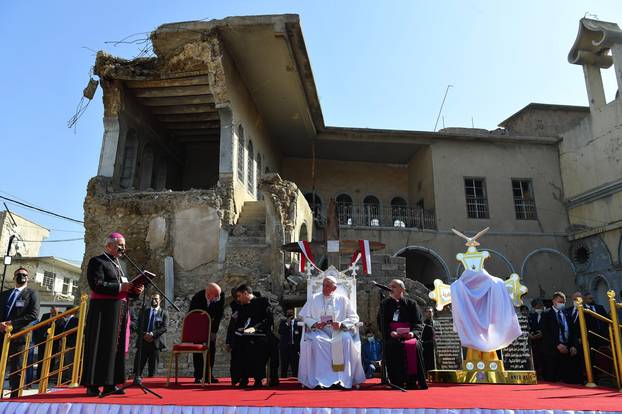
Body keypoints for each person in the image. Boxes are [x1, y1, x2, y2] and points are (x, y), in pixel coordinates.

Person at [81, 233, 143, 397]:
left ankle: (110, 384)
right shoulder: (98, 261)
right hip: (103, 311)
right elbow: (96, 284)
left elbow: (124, 290)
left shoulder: (119, 264)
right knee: (100, 346)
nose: (123, 248)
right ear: (109, 246)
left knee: (115, 348)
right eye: (120, 245)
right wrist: (120, 287)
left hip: (119, 311)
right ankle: (93, 385)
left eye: (124, 245)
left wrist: (135, 291)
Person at [298, 275, 365, 389]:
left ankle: (342, 380)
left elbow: (354, 317)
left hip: (338, 331)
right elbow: (304, 317)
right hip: (320, 331)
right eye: (323, 285)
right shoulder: (314, 298)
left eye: (327, 286)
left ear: (334, 288)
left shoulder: (343, 299)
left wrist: (341, 324)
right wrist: (315, 323)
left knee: (345, 340)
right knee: (318, 341)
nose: (324, 288)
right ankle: (320, 380)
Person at [378, 279, 427, 390]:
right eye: (389, 286)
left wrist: (412, 333)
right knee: (391, 346)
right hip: (393, 336)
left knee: (415, 346)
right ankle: (396, 381)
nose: (390, 288)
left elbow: (419, 323)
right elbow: (381, 323)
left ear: (402, 289)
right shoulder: (384, 304)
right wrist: (390, 333)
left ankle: (412, 381)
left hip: (409, 335)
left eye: (393, 286)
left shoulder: (411, 304)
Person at [0, 267, 40, 398]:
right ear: (14, 277)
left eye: (24, 275)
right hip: (1, 334)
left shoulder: (32, 293)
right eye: (18, 274)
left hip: (19, 336)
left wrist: (11, 324)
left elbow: (33, 314)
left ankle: (14, 397)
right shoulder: (5, 294)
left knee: (16, 368)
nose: (21, 276)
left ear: (28, 278)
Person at [230, 284, 272, 388]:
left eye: (239, 296)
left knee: (255, 346)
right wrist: (242, 329)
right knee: (237, 346)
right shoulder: (242, 306)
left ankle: (259, 378)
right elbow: (240, 322)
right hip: (246, 336)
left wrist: (253, 329)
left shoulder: (263, 302)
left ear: (246, 293)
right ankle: (242, 378)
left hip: (261, 334)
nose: (238, 299)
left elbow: (267, 320)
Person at [540, 291, 580, 383]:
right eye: (560, 302)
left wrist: (574, 345)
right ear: (554, 301)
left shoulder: (567, 314)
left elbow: (573, 331)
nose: (562, 304)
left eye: (564, 302)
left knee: (567, 378)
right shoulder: (546, 314)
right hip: (552, 351)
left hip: (566, 350)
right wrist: (557, 345)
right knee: (552, 378)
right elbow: (546, 333)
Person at [188, 282, 224, 383]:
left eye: (219, 295)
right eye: (216, 296)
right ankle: (198, 375)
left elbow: (219, 314)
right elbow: (192, 315)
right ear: (208, 294)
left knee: (211, 350)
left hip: (212, 326)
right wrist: (199, 331)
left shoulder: (220, 296)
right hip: (198, 327)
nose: (218, 297)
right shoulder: (198, 297)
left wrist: (213, 331)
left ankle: (209, 374)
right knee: (198, 351)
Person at [133, 293, 168, 379]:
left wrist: (153, 335)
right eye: (152, 298)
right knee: (137, 368)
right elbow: (137, 325)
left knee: (152, 371)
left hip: (155, 343)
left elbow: (164, 327)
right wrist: (144, 335)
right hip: (143, 342)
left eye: (156, 298)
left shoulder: (164, 313)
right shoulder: (144, 311)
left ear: (160, 300)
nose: (154, 300)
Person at [33, 305, 61, 381]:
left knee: (51, 360)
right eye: (53, 311)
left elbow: (61, 329)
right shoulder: (45, 316)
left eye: (56, 311)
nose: (54, 312)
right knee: (41, 359)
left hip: (53, 342)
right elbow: (40, 327)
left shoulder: (60, 317)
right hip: (43, 341)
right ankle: (39, 377)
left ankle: (47, 378)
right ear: (50, 310)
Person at [278, 308, 302, 378]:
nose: (290, 314)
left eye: (291, 312)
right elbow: (280, 332)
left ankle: (296, 379)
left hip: (294, 348)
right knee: (284, 365)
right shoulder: (283, 322)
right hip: (285, 348)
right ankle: (283, 380)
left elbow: (301, 334)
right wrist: (287, 324)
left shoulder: (298, 322)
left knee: (295, 365)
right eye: (288, 313)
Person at [60, 306, 79, 383]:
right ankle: (65, 378)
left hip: (70, 345)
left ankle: (70, 378)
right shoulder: (67, 321)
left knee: (70, 362)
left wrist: (70, 344)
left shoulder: (75, 320)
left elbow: (73, 334)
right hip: (65, 344)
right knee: (65, 362)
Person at [527, 299, 544, 378]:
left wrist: (542, 333)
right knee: (535, 359)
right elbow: (528, 327)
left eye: (541, 305)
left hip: (544, 341)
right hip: (533, 342)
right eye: (539, 305)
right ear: (534, 306)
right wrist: (531, 335)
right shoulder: (530, 316)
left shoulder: (546, 315)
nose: (541, 306)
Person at [421, 306, 435, 374]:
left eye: (431, 312)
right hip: (427, 347)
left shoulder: (437, 324)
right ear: (425, 313)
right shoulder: (423, 325)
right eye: (428, 312)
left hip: (436, 348)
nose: (430, 313)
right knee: (428, 362)